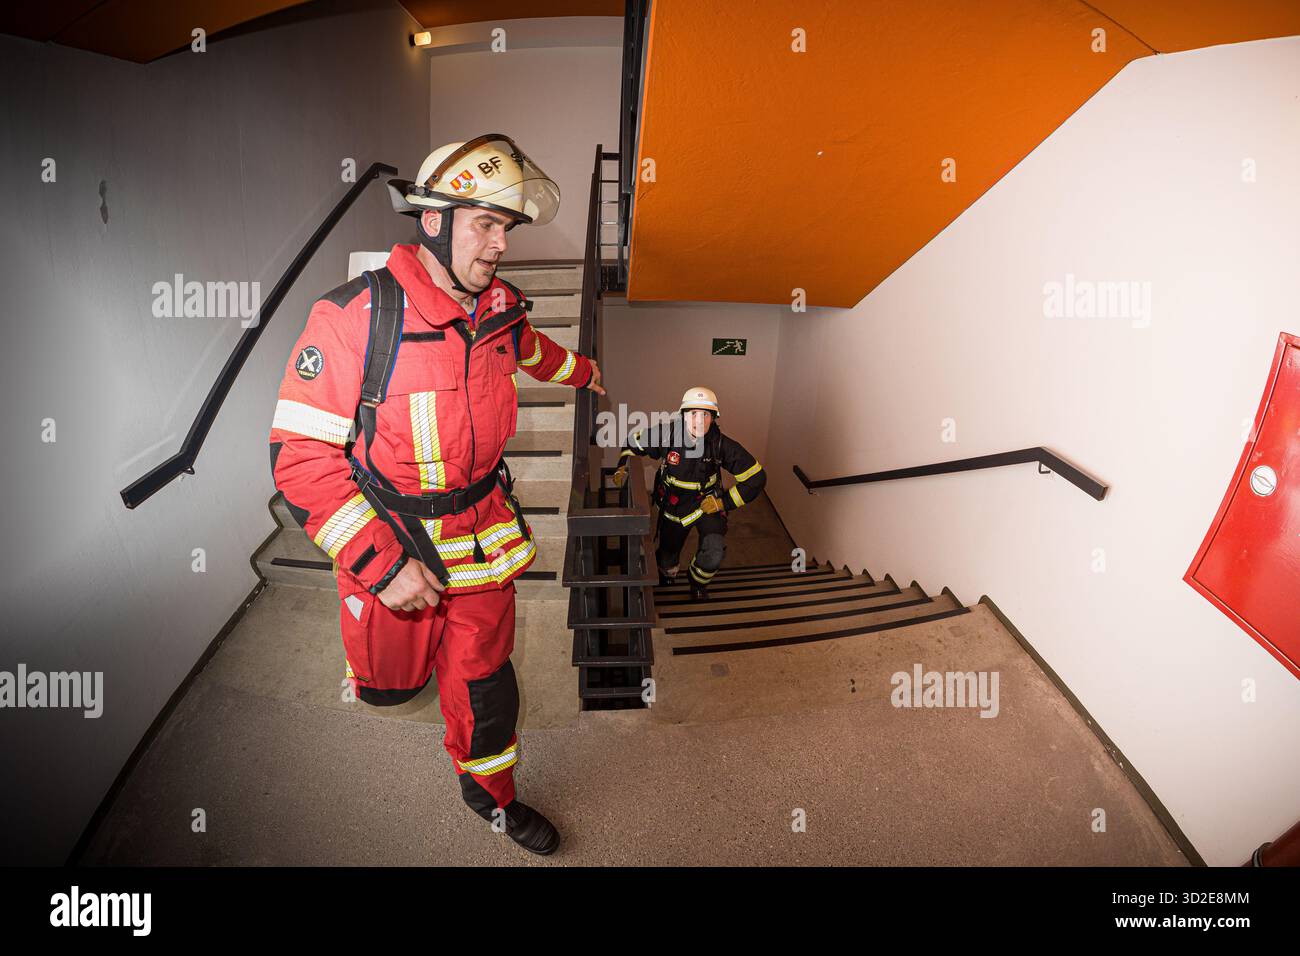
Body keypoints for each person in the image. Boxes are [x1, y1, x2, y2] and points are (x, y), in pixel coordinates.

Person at [268, 134, 605, 855]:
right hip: (391, 537)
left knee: (487, 685)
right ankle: (394, 659)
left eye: (507, 228)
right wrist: (384, 568)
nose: (500, 246)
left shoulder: (501, 305)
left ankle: (491, 798)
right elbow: (299, 460)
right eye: (485, 224)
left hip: (482, 534)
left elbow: (530, 349)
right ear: (433, 220)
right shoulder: (354, 317)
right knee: (389, 680)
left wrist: (583, 371)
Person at [613, 387, 765, 599]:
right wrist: (623, 467)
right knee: (667, 554)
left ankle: (697, 583)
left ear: (713, 418)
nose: (699, 420)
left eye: (705, 414)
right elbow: (632, 444)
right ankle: (668, 572)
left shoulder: (721, 445)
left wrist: (723, 503)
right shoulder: (666, 435)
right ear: (683, 415)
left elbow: (756, 478)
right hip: (673, 506)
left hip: (707, 505)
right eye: (693, 413)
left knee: (714, 551)